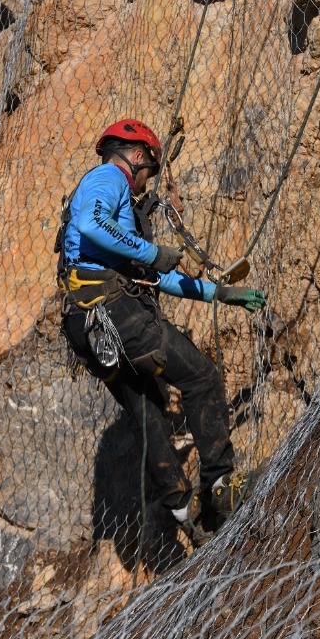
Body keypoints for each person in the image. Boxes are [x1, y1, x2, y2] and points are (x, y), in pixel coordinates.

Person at [57, 119, 267, 544]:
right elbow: (94, 222)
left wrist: (219, 293)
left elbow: (154, 276)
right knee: (201, 375)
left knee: (147, 408)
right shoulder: (108, 176)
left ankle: (181, 507)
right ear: (138, 157)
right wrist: (154, 251)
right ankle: (222, 487)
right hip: (113, 312)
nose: (145, 185)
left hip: (86, 323)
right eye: (150, 172)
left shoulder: (114, 236)